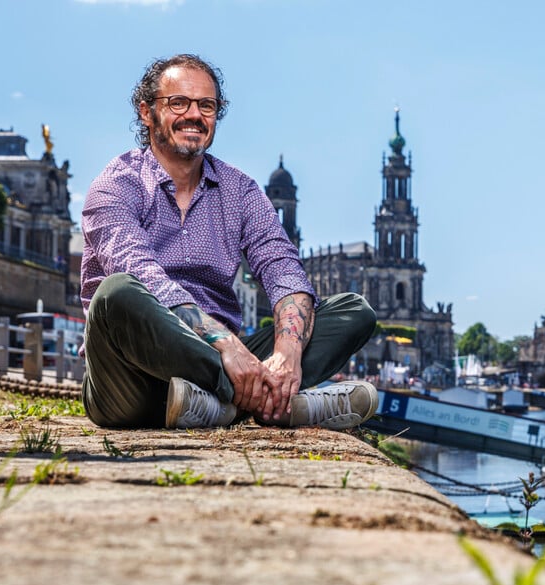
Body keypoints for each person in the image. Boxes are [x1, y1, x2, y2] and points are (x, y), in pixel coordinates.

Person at [80, 53, 377, 430]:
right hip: (131, 381)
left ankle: (221, 403)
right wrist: (227, 345)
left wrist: (287, 353)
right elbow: (142, 275)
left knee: (355, 311)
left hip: (235, 363)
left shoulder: (241, 191)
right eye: (178, 103)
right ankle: (272, 406)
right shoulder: (116, 185)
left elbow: (283, 268)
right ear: (146, 111)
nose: (194, 115)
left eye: (206, 105)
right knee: (116, 293)